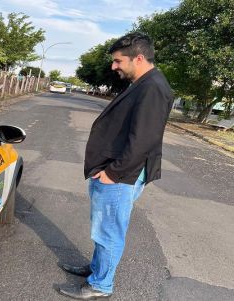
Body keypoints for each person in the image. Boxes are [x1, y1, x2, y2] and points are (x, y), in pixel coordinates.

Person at [58, 32, 174, 299]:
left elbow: (144, 140)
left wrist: (113, 173)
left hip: (122, 174)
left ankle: (100, 285)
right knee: (103, 227)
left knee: (109, 231)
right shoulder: (143, 82)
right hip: (118, 170)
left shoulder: (153, 87)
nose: (114, 66)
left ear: (139, 58)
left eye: (118, 61)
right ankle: (98, 270)